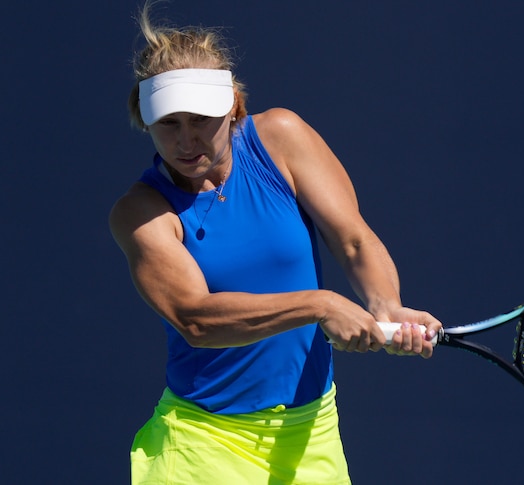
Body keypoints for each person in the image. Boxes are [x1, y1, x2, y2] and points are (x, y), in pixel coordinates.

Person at [109, 1, 443, 483]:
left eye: (201, 119)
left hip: (313, 433)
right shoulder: (141, 213)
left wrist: (387, 306)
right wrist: (320, 304)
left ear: (233, 107)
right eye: (169, 124)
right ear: (146, 122)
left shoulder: (282, 138)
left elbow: (353, 240)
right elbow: (196, 319)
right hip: (204, 447)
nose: (186, 140)